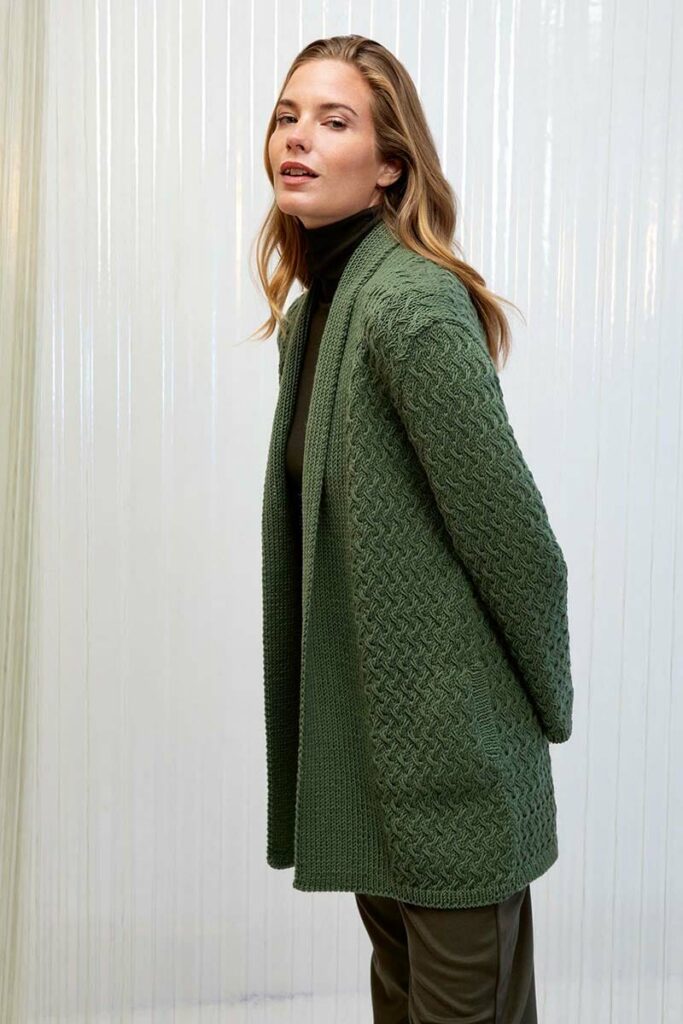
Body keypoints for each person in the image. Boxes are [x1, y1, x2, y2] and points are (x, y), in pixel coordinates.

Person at [253, 33, 573, 1024]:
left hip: (454, 765)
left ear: (390, 164)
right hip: (379, 765)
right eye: (287, 116)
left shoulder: (411, 307)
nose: (297, 138)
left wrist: (541, 713)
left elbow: (517, 544)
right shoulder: (316, 315)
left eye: (333, 121)